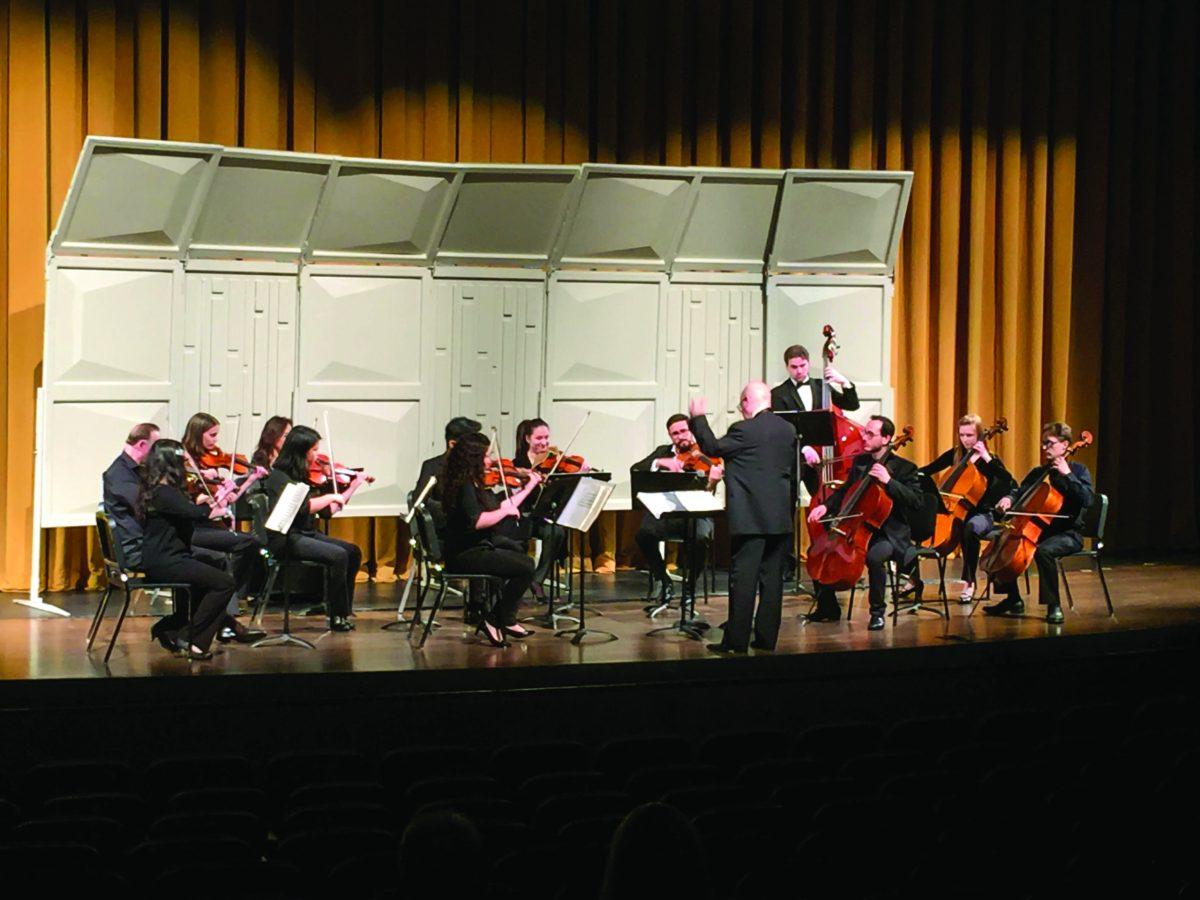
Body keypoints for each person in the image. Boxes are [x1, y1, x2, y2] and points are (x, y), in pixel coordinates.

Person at [688, 382, 795, 654]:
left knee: (743, 581)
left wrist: (698, 418)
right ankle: (766, 639)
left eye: (740, 404)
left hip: (751, 520)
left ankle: (735, 642)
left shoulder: (744, 430)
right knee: (772, 583)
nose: (741, 409)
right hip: (780, 519)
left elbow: (712, 447)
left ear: (747, 401)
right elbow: (793, 474)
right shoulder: (788, 429)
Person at [806, 415, 924, 630]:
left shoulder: (905, 468)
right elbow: (845, 491)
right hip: (857, 527)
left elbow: (916, 501)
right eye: (864, 432)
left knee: (874, 557)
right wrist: (826, 506)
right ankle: (828, 607)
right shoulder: (861, 462)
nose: (864, 437)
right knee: (817, 550)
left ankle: (877, 612)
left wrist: (889, 482)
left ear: (887, 438)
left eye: (870, 434)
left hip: (888, 533)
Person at [136, 440, 239, 659]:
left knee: (211, 574)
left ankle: (189, 640)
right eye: (182, 462)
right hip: (166, 560)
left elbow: (194, 512)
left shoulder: (158, 491)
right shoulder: (164, 494)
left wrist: (217, 499)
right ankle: (187, 635)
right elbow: (197, 514)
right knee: (224, 583)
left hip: (168, 557)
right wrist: (219, 499)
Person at [260, 425, 368, 632]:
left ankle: (343, 609)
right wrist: (329, 496)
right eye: (314, 450)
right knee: (338, 556)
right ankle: (337, 616)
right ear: (301, 451)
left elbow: (328, 512)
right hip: (285, 538)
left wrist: (352, 486)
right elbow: (302, 508)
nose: (318, 455)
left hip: (305, 534)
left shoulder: (302, 475)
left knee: (353, 552)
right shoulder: (279, 477)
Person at [984, 422, 1094, 624]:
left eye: (1050, 443)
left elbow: (1087, 499)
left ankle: (1054, 605)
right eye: (1043, 443)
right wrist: (1009, 498)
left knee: (1044, 551)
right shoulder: (1039, 472)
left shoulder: (1078, 471)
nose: (1044, 448)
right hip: (1038, 530)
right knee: (1000, 540)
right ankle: (1013, 599)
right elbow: (1019, 491)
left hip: (1068, 534)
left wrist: (1067, 474)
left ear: (1065, 445)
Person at [442, 432, 543, 646]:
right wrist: (505, 513)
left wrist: (529, 487)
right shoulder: (465, 486)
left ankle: (504, 619)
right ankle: (494, 619)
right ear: (474, 458)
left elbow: (503, 506)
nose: (490, 461)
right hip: (465, 554)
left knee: (519, 554)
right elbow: (477, 521)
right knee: (526, 567)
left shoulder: (472, 483)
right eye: (486, 455)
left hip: (477, 547)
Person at [918, 414, 1016, 602]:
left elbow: (1008, 481)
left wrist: (986, 458)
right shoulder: (956, 455)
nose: (965, 440)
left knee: (969, 528)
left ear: (979, 435)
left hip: (983, 514)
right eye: (962, 435)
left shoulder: (991, 460)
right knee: (917, 524)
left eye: (970, 435)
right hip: (954, 510)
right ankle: (913, 581)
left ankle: (969, 582)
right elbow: (928, 469)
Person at [630, 413, 723, 607]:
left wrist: (712, 480)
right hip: (669, 515)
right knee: (643, 534)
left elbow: (709, 490)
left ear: (691, 431)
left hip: (697, 514)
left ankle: (690, 587)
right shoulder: (663, 451)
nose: (681, 437)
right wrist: (660, 463)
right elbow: (636, 469)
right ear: (670, 436)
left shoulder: (706, 453)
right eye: (675, 434)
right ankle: (664, 580)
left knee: (701, 537)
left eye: (684, 431)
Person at [770, 342, 861, 496]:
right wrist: (804, 448)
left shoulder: (822, 386)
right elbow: (781, 430)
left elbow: (852, 405)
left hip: (823, 457)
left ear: (809, 363)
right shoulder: (778, 394)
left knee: (826, 498)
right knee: (788, 501)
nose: (799, 371)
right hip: (795, 458)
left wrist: (844, 382)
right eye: (794, 367)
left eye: (803, 365)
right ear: (787, 367)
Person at [102, 422, 160, 570]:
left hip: (145, 544)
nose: (158, 453)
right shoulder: (119, 475)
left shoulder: (133, 470)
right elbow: (148, 508)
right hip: (137, 551)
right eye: (156, 447)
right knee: (208, 557)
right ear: (142, 445)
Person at [412, 416, 481, 530]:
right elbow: (419, 503)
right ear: (452, 444)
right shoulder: (432, 466)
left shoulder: (475, 466)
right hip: (453, 532)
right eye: (471, 445)